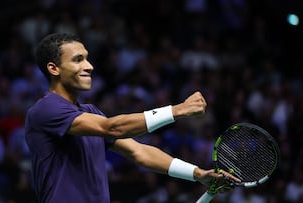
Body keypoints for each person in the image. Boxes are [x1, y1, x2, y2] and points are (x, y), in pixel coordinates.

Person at [25, 32, 240, 203]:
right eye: (78, 60)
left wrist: (198, 173)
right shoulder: (46, 110)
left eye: (87, 59)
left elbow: (140, 152)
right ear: (54, 69)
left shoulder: (90, 112)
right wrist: (176, 110)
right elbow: (112, 128)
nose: (89, 66)